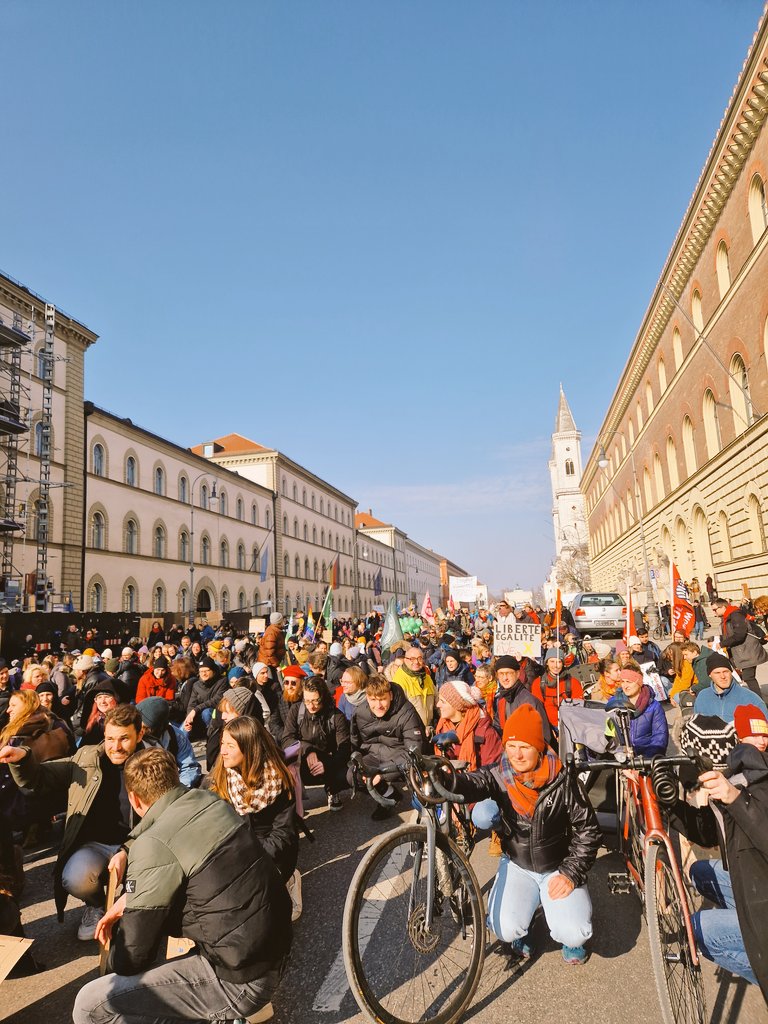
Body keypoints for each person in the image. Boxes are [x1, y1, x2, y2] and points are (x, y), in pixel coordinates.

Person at [73, 747, 292, 1024]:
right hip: (272, 949)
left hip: (240, 981)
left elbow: (133, 955)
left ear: (133, 798)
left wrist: (112, 959)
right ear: (175, 777)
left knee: (91, 1003)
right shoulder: (209, 800)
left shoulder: (152, 845)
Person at [456, 703, 600, 964]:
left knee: (575, 932)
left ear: (539, 747)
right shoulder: (499, 773)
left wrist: (571, 873)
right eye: (511, 746)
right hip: (518, 864)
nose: (517, 755)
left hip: (557, 866)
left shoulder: (563, 778)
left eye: (525, 747)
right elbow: (473, 782)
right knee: (505, 928)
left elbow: (588, 829)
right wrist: (447, 779)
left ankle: (568, 933)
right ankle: (525, 918)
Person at [0, 704, 149, 940]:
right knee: (74, 878)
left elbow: (163, 819)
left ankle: (132, 909)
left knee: (141, 899)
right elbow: (42, 777)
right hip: (96, 845)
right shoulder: (87, 757)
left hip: (140, 846)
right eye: (110, 738)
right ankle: (96, 904)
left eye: (124, 739)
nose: (115, 747)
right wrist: (22, 759)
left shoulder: (154, 763)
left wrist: (127, 850)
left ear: (140, 734)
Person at [688, 704, 768, 999]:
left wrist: (735, 798)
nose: (761, 741)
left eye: (764, 735)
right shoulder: (741, 772)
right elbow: (714, 837)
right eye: (754, 735)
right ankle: (742, 920)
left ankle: (759, 966)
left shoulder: (752, 777)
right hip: (755, 870)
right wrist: (673, 804)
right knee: (700, 872)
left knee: (696, 926)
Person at [205, 716, 300, 918]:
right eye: (222, 743)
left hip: (270, 853)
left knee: (261, 911)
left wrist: (250, 860)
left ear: (249, 748)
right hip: (235, 849)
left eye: (230, 745)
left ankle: (289, 880)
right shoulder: (221, 774)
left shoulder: (278, 780)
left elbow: (283, 834)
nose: (222, 751)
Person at [349, 676, 426, 819]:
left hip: (401, 755)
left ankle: (422, 809)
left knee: (411, 771)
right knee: (352, 775)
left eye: (382, 699)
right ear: (367, 697)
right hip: (375, 754)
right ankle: (389, 794)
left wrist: (382, 773)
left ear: (390, 695)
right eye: (373, 700)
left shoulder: (407, 712)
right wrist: (358, 764)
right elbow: (355, 742)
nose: (378, 705)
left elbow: (413, 751)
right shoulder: (359, 712)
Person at [282, 678, 350, 811]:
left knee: (344, 772)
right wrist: (308, 750)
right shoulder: (296, 710)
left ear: (323, 697)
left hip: (327, 760)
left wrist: (327, 764)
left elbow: (344, 748)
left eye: (315, 700)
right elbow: (286, 740)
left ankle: (332, 789)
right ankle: (292, 801)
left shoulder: (336, 716)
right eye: (307, 700)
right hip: (301, 759)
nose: (311, 706)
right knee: (284, 761)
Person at [435, 679, 502, 768]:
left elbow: (492, 771)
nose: (438, 705)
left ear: (457, 705)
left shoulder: (486, 734)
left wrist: (463, 778)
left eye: (442, 701)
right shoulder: (443, 726)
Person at [136, 697, 202, 788]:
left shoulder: (176, 736)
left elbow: (189, 767)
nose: (140, 729)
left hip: (170, 788)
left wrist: (178, 790)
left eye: (145, 727)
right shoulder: (130, 736)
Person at [607, 665, 668, 757]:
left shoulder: (653, 706)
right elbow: (608, 736)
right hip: (620, 757)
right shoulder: (613, 705)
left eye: (629, 682)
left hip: (647, 758)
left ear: (639, 683)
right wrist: (620, 756)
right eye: (622, 681)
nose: (625, 686)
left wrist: (645, 760)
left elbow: (660, 737)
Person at [711, 596, 767, 697]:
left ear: (723, 607)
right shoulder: (729, 616)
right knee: (747, 676)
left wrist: (722, 644)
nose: (714, 613)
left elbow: (739, 635)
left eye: (715, 610)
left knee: (748, 677)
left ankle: (759, 702)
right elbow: (730, 634)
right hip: (744, 651)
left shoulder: (735, 615)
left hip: (748, 650)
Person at [490, 655, 552, 746]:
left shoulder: (529, 701)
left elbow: (543, 735)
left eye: (509, 673)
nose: (505, 678)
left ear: (518, 674)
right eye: (501, 674)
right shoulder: (502, 699)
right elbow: (498, 727)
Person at [693, 653, 768, 721]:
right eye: (717, 673)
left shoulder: (750, 698)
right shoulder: (703, 697)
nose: (722, 676)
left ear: (731, 672)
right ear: (710, 675)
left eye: (725, 671)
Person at [530, 649, 583, 730]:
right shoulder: (538, 683)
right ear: (546, 663)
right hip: (547, 726)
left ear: (563, 664)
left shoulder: (573, 682)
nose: (556, 666)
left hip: (570, 726)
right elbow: (537, 710)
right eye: (552, 661)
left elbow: (578, 708)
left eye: (559, 662)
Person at [392, 647, 436, 731]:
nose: (416, 662)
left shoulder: (427, 677)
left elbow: (437, 701)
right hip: (411, 730)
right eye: (412, 659)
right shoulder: (399, 680)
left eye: (419, 658)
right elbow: (398, 712)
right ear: (405, 660)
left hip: (429, 729)